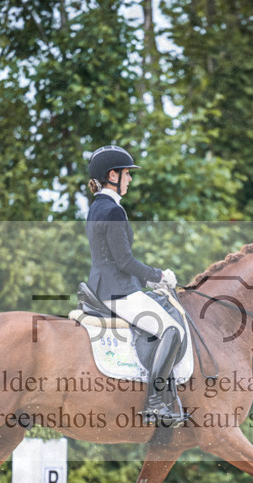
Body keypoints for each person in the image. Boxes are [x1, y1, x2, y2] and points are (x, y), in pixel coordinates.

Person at [85, 145, 186, 427]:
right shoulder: (113, 211)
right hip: (117, 291)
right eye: (127, 174)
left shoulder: (97, 207)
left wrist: (148, 282)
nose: (130, 179)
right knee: (172, 329)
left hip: (106, 285)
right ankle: (155, 403)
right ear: (112, 175)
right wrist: (159, 275)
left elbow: (112, 259)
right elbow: (124, 260)